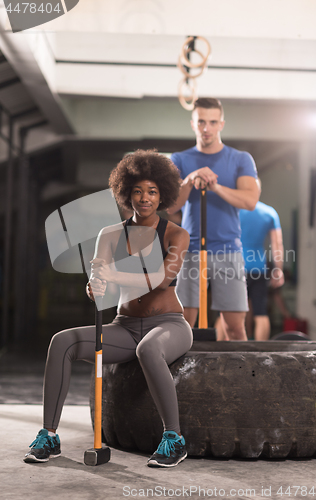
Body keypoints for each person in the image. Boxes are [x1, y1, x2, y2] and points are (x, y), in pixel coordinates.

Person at [24, 150, 193, 468]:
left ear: (163, 195)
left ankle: (174, 439)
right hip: (125, 326)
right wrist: (95, 286)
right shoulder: (111, 234)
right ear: (127, 193)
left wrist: (111, 274)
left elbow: (161, 278)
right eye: (138, 191)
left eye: (152, 191)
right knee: (62, 342)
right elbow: (99, 279)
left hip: (169, 325)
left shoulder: (176, 234)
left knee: (149, 349)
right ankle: (49, 435)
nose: (145, 198)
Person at [168, 97, 259, 340]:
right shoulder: (179, 159)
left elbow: (250, 201)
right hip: (192, 250)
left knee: (234, 328)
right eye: (201, 122)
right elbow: (170, 205)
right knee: (184, 325)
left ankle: (241, 378)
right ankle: (180, 378)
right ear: (193, 124)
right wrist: (189, 179)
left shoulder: (240, 159)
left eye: (212, 122)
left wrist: (215, 186)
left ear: (221, 124)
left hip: (229, 250)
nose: (206, 128)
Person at [239, 181, 285, 340]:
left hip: (234, 266)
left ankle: (220, 354)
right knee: (260, 313)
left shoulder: (233, 211)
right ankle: (261, 356)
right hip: (259, 267)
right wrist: (278, 269)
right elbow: (277, 244)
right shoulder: (269, 213)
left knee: (229, 313)